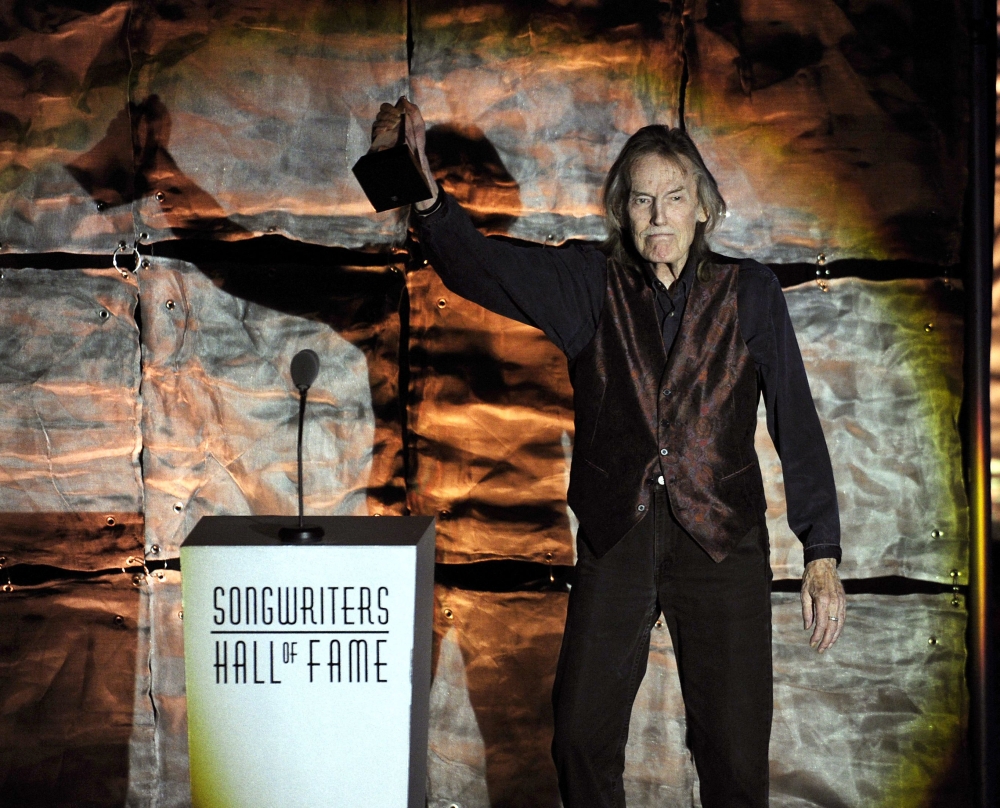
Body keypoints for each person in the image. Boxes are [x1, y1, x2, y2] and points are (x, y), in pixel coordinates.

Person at [372, 98, 845, 808]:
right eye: (642, 200)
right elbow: (481, 268)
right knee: (579, 739)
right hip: (617, 537)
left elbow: (796, 424)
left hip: (721, 545)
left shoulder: (749, 294)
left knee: (734, 755)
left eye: (675, 198)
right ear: (623, 212)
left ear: (703, 210)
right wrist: (425, 195)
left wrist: (822, 552)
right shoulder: (589, 285)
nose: (658, 215)